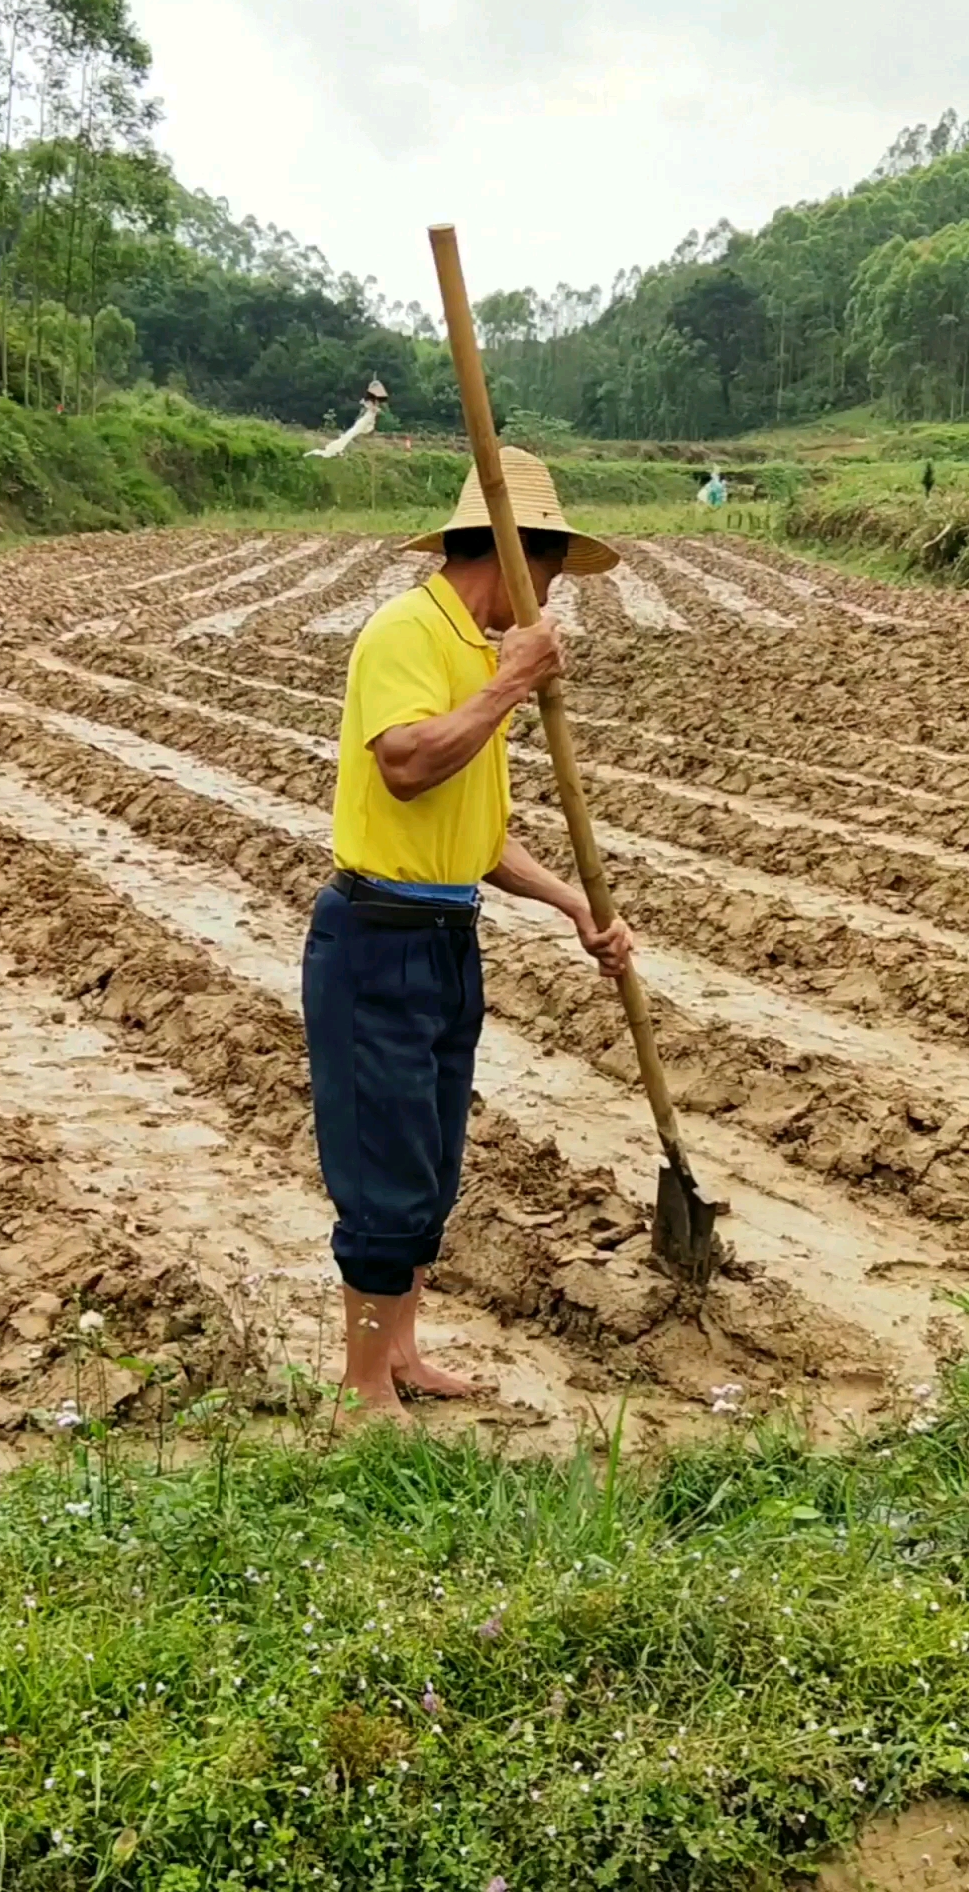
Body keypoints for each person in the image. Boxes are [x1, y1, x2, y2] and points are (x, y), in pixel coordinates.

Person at [302, 447, 635, 1421]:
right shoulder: (407, 633)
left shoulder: (475, 650)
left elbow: (480, 837)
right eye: (554, 579)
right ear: (515, 555)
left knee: (432, 1162)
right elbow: (407, 766)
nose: (551, 605)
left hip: (447, 934)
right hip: (377, 936)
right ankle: (361, 1393)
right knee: (384, 1164)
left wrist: (577, 905)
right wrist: (507, 686)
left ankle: (400, 1353)